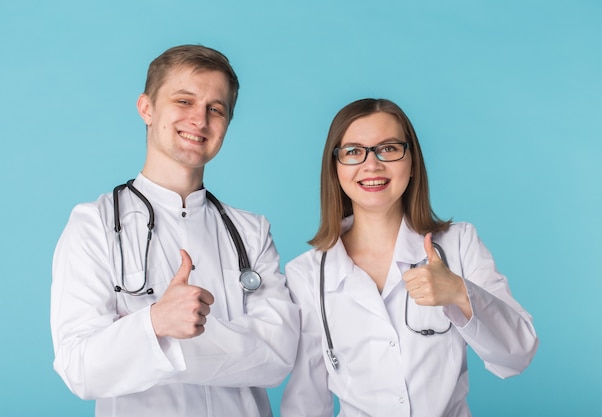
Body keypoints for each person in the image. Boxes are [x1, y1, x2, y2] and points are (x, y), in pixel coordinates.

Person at [51, 45, 299, 417]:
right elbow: (80, 369)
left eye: (216, 109)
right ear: (147, 108)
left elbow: (278, 357)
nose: (199, 119)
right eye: (184, 101)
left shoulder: (250, 232)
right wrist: (156, 321)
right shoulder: (95, 224)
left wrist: (147, 337)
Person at [280, 98, 538, 417]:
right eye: (353, 151)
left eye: (388, 148)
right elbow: (307, 399)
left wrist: (460, 293)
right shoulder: (307, 274)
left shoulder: (459, 244)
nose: (371, 165)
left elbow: (518, 353)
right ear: (335, 169)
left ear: (412, 162)